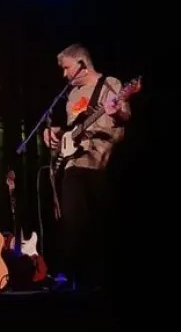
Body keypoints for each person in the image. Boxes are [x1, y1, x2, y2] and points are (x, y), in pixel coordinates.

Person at [42, 44, 131, 291]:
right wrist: (55, 134)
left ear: (81, 64)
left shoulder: (109, 83)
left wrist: (117, 112)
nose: (64, 75)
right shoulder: (72, 96)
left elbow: (124, 114)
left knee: (98, 224)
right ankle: (77, 279)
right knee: (72, 222)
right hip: (74, 163)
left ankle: (100, 281)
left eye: (66, 68)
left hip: (100, 163)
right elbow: (74, 128)